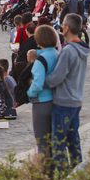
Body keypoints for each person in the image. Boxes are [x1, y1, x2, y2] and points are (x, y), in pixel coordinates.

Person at [44, 14, 89, 173]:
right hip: (76, 99)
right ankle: (78, 171)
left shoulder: (68, 50)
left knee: (58, 142)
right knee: (73, 140)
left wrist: (43, 81)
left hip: (63, 101)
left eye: (63, 24)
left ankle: (64, 176)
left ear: (67, 28)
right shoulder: (82, 48)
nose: (62, 27)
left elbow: (57, 77)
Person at [28, 25, 59, 162]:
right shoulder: (57, 54)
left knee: (41, 140)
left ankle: (44, 169)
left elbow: (38, 84)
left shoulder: (41, 60)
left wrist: (30, 93)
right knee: (53, 139)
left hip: (41, 101)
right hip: (55, 99)